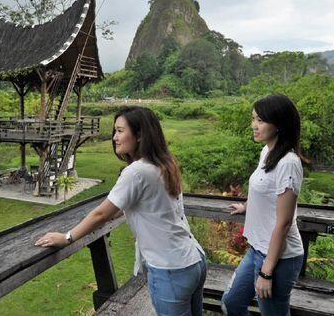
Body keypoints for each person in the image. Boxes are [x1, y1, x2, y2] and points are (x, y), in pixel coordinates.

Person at [35, 106, 206, 316]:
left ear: (140, 134)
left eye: (120, 130)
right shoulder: (165, 163)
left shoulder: (136, 172)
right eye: (115, 131)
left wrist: (67, 237)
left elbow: (102, 214)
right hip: (194, 259)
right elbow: (138, 206)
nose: (115, 137)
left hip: (170, 269)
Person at [221, 94, 305, 316]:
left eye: (260, 120)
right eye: (253, 119)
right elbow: (264, 188)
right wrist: (247, 206)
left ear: (279, 124)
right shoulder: (267, 152)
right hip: (257, 248)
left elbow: (284, 222)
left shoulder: (288, 163)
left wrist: (267, 272)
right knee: (232, 302)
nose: (254, 126)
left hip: (279, 259)